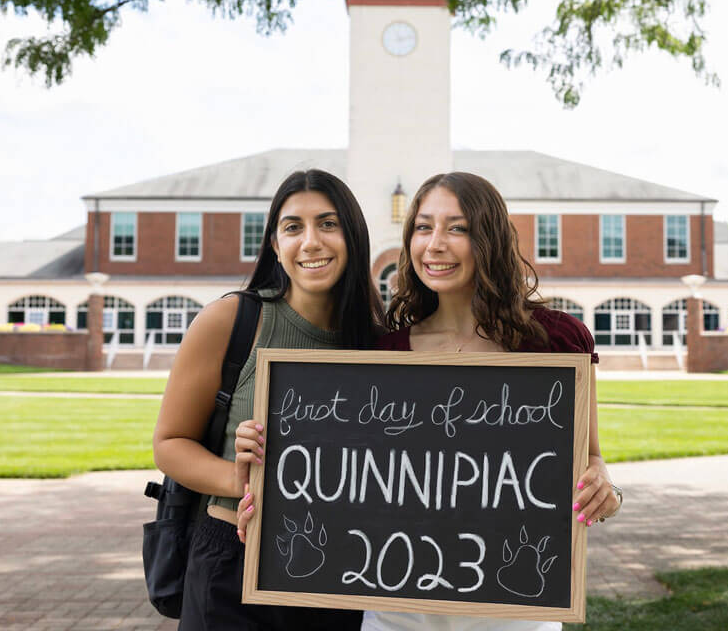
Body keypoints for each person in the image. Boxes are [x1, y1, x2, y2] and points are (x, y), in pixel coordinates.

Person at [366, 172, 622, 631]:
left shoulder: (554, 341)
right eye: (423, 228)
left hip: (514, 601)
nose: (435, 244)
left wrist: (605, 486)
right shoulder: (386, 352)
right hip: (399, 602)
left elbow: (591, 458)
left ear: (488, 239)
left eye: (457, 228)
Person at [153, 169, 383, 631]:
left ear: (354, 237)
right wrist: (242, 480)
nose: (311, 241)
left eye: (328, 224)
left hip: (340, 567)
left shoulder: (379, 344)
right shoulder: (232, 319)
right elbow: (169, 443)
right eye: (293, 227)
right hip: (232, 562)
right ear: (276, 245)